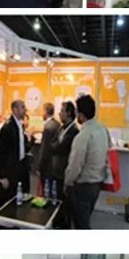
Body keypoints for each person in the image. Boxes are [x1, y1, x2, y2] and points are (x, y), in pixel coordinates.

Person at [64, 94, 109, 230]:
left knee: (81, 225)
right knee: (85, 217)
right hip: (97, 183)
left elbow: (75, 165)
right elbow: (109, 152)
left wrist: (67, 183)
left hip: (83, 186)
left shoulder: (83, 136)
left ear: (81, 115)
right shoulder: (103, 129)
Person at [50, 101, 79, 226]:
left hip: (65, 174)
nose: (59, 113)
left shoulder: (74, 131)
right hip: (56, 172)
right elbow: (52, 143)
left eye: (62, 111)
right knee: (58, 202)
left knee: (66, 204)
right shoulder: (61, 128)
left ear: (69, 113)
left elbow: (60, 148)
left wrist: (56, 145)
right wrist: (56, 145)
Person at [0, 99, 31, 198]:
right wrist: (2, 176)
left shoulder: (20, 125)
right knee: (13, 197)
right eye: (23, 107)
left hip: (22, 167)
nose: (25, 110)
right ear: (15, 110)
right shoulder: (7, 128)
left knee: (24, 195)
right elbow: (1, 153)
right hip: (12, 170)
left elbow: (23, 147)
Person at [38, 103, 60, 195]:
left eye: (42, 111)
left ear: (46, 112)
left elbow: (44, 150)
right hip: (55, 166)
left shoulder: (48, 127)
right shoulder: (57, 124)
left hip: (47, 167)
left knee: (47, 192)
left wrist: (40, 167)